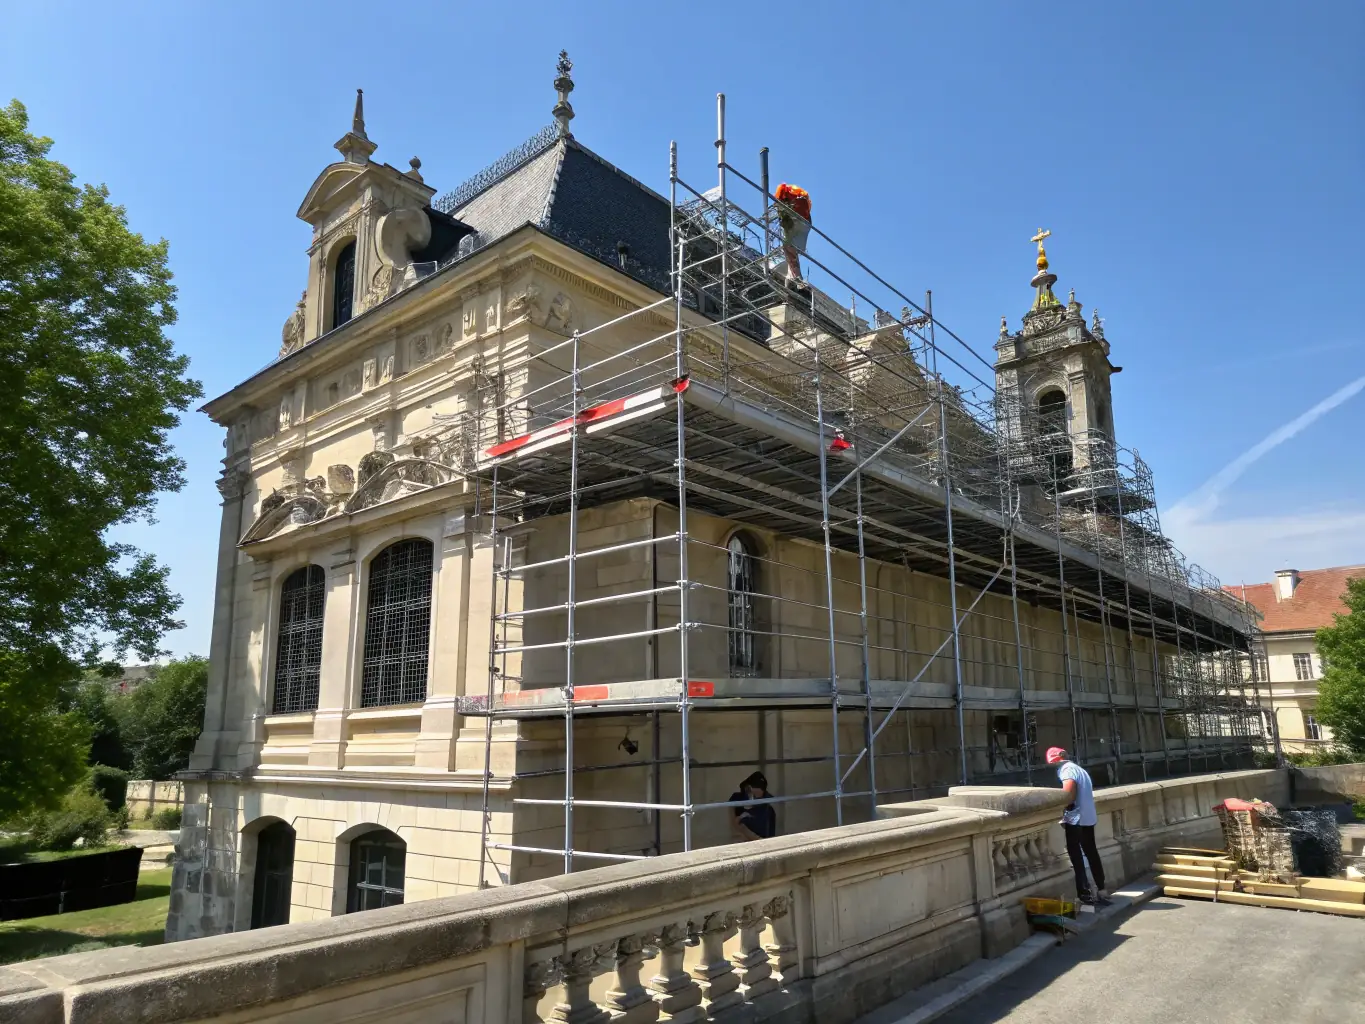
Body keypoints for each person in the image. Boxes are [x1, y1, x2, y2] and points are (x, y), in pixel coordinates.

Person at [1046, 746, 1110, 906]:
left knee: (1077, 857)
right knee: (1091, 853)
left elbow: (1068, 794)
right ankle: (1102, 890)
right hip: (1088, 817)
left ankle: (1086, 895)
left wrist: (1063, 810)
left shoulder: (1066, 770)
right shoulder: (1079, 769)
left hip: (1076, 819)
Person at [773, 183, 812, 286]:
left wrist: (783, 216)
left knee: (789, 247)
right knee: (792, 249)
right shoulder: (797, 193)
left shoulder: (791, 195)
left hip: (798, 222)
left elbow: (783, 210)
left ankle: (795, 277)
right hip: (805, 223)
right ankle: (795, 276)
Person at [730, 771, 777, 842]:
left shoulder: (768, 810)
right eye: (753, 795)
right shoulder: (737, 799)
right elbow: (734, 825)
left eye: (758, 798)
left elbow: (766, 839)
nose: (754, 800)